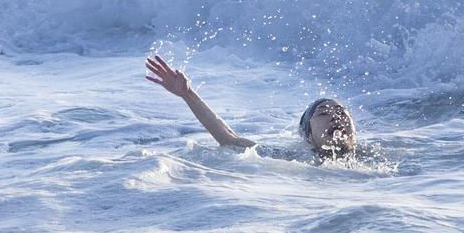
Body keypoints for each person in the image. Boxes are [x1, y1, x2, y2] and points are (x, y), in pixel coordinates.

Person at [145, 55, 357, 158]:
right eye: (323, 113)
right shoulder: (291, 158)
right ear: (308, 134)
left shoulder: (379, 155)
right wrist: (187, 94)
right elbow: (229, 139)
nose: (335, 117)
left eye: (340, 111)